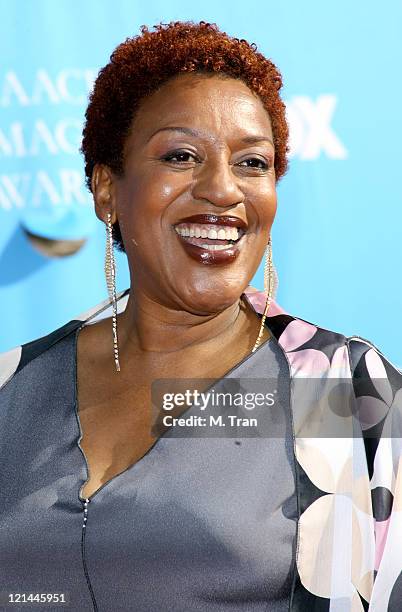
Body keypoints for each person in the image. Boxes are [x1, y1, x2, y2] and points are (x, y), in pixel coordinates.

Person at [0, 21, 401, 612]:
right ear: (107, 188)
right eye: (182, 156)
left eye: (253, 163)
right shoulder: (13, 385)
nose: (223, 189)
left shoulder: (339, 388)